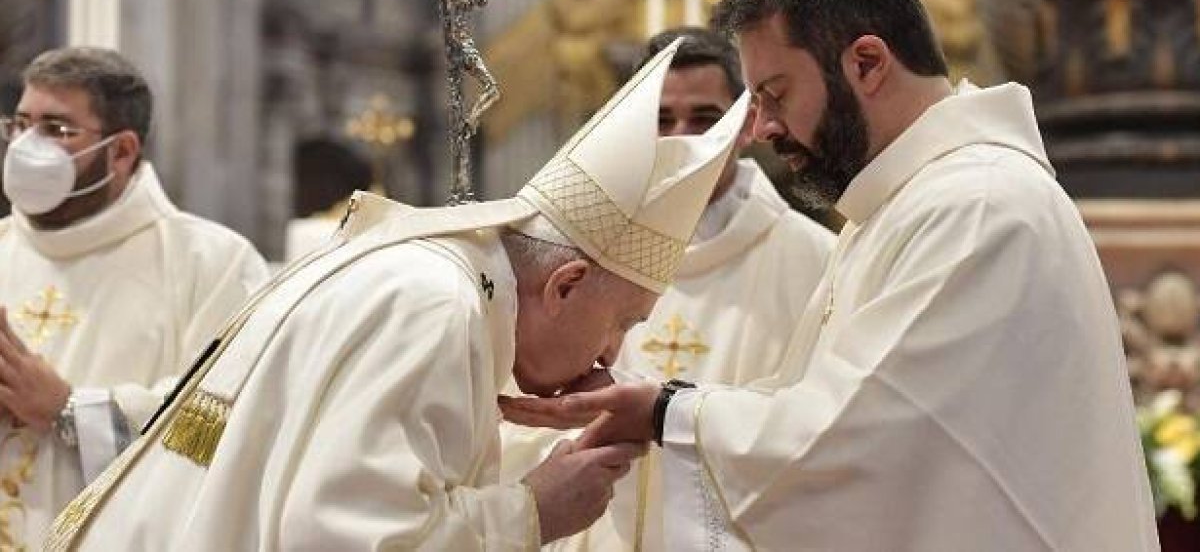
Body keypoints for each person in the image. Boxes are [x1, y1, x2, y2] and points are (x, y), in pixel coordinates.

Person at [501, 0, 1159, 551]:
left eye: (775, 93)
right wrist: (653, 402)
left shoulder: (977, 208)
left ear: (866, 62)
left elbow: (853, 445)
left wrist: (667, 411)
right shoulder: (904, 209)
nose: (759, 128)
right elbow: (824, 411)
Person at [46, 37, 751, 550]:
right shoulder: (436, 307)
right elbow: (339, 537)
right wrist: (533, 511)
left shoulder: (436, 275)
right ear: (566, 284)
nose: (612, 354)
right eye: (622, 321)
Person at [501, 27, 835, 551]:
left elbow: (824, 429)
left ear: (747, 123)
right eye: (661, 120)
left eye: (705, 118)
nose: (684, 136)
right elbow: (519, 418)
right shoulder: (582, 250)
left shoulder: (816, 259)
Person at [0, 47, 269, 549]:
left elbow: (228, 425)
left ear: (121, 151)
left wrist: (69, 411)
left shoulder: (212, 263)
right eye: (19, 123)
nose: (25, 144)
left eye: (56, 129)